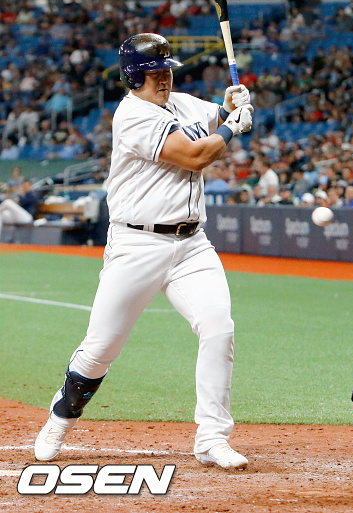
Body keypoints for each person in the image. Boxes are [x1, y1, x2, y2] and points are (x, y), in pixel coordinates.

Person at [34, 33, 254, 470]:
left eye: (167, 70)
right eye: (156, 71)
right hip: (137, 245)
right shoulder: (132, 116)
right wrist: (233, 125)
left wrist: (236, 101)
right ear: (135, 75)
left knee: (219, 329)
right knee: (101, 347)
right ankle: (62, 414)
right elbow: (195, 155)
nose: (165, 78)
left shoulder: (185, 103)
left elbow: (222, 114)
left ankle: (211, 438)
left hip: (192, 245)